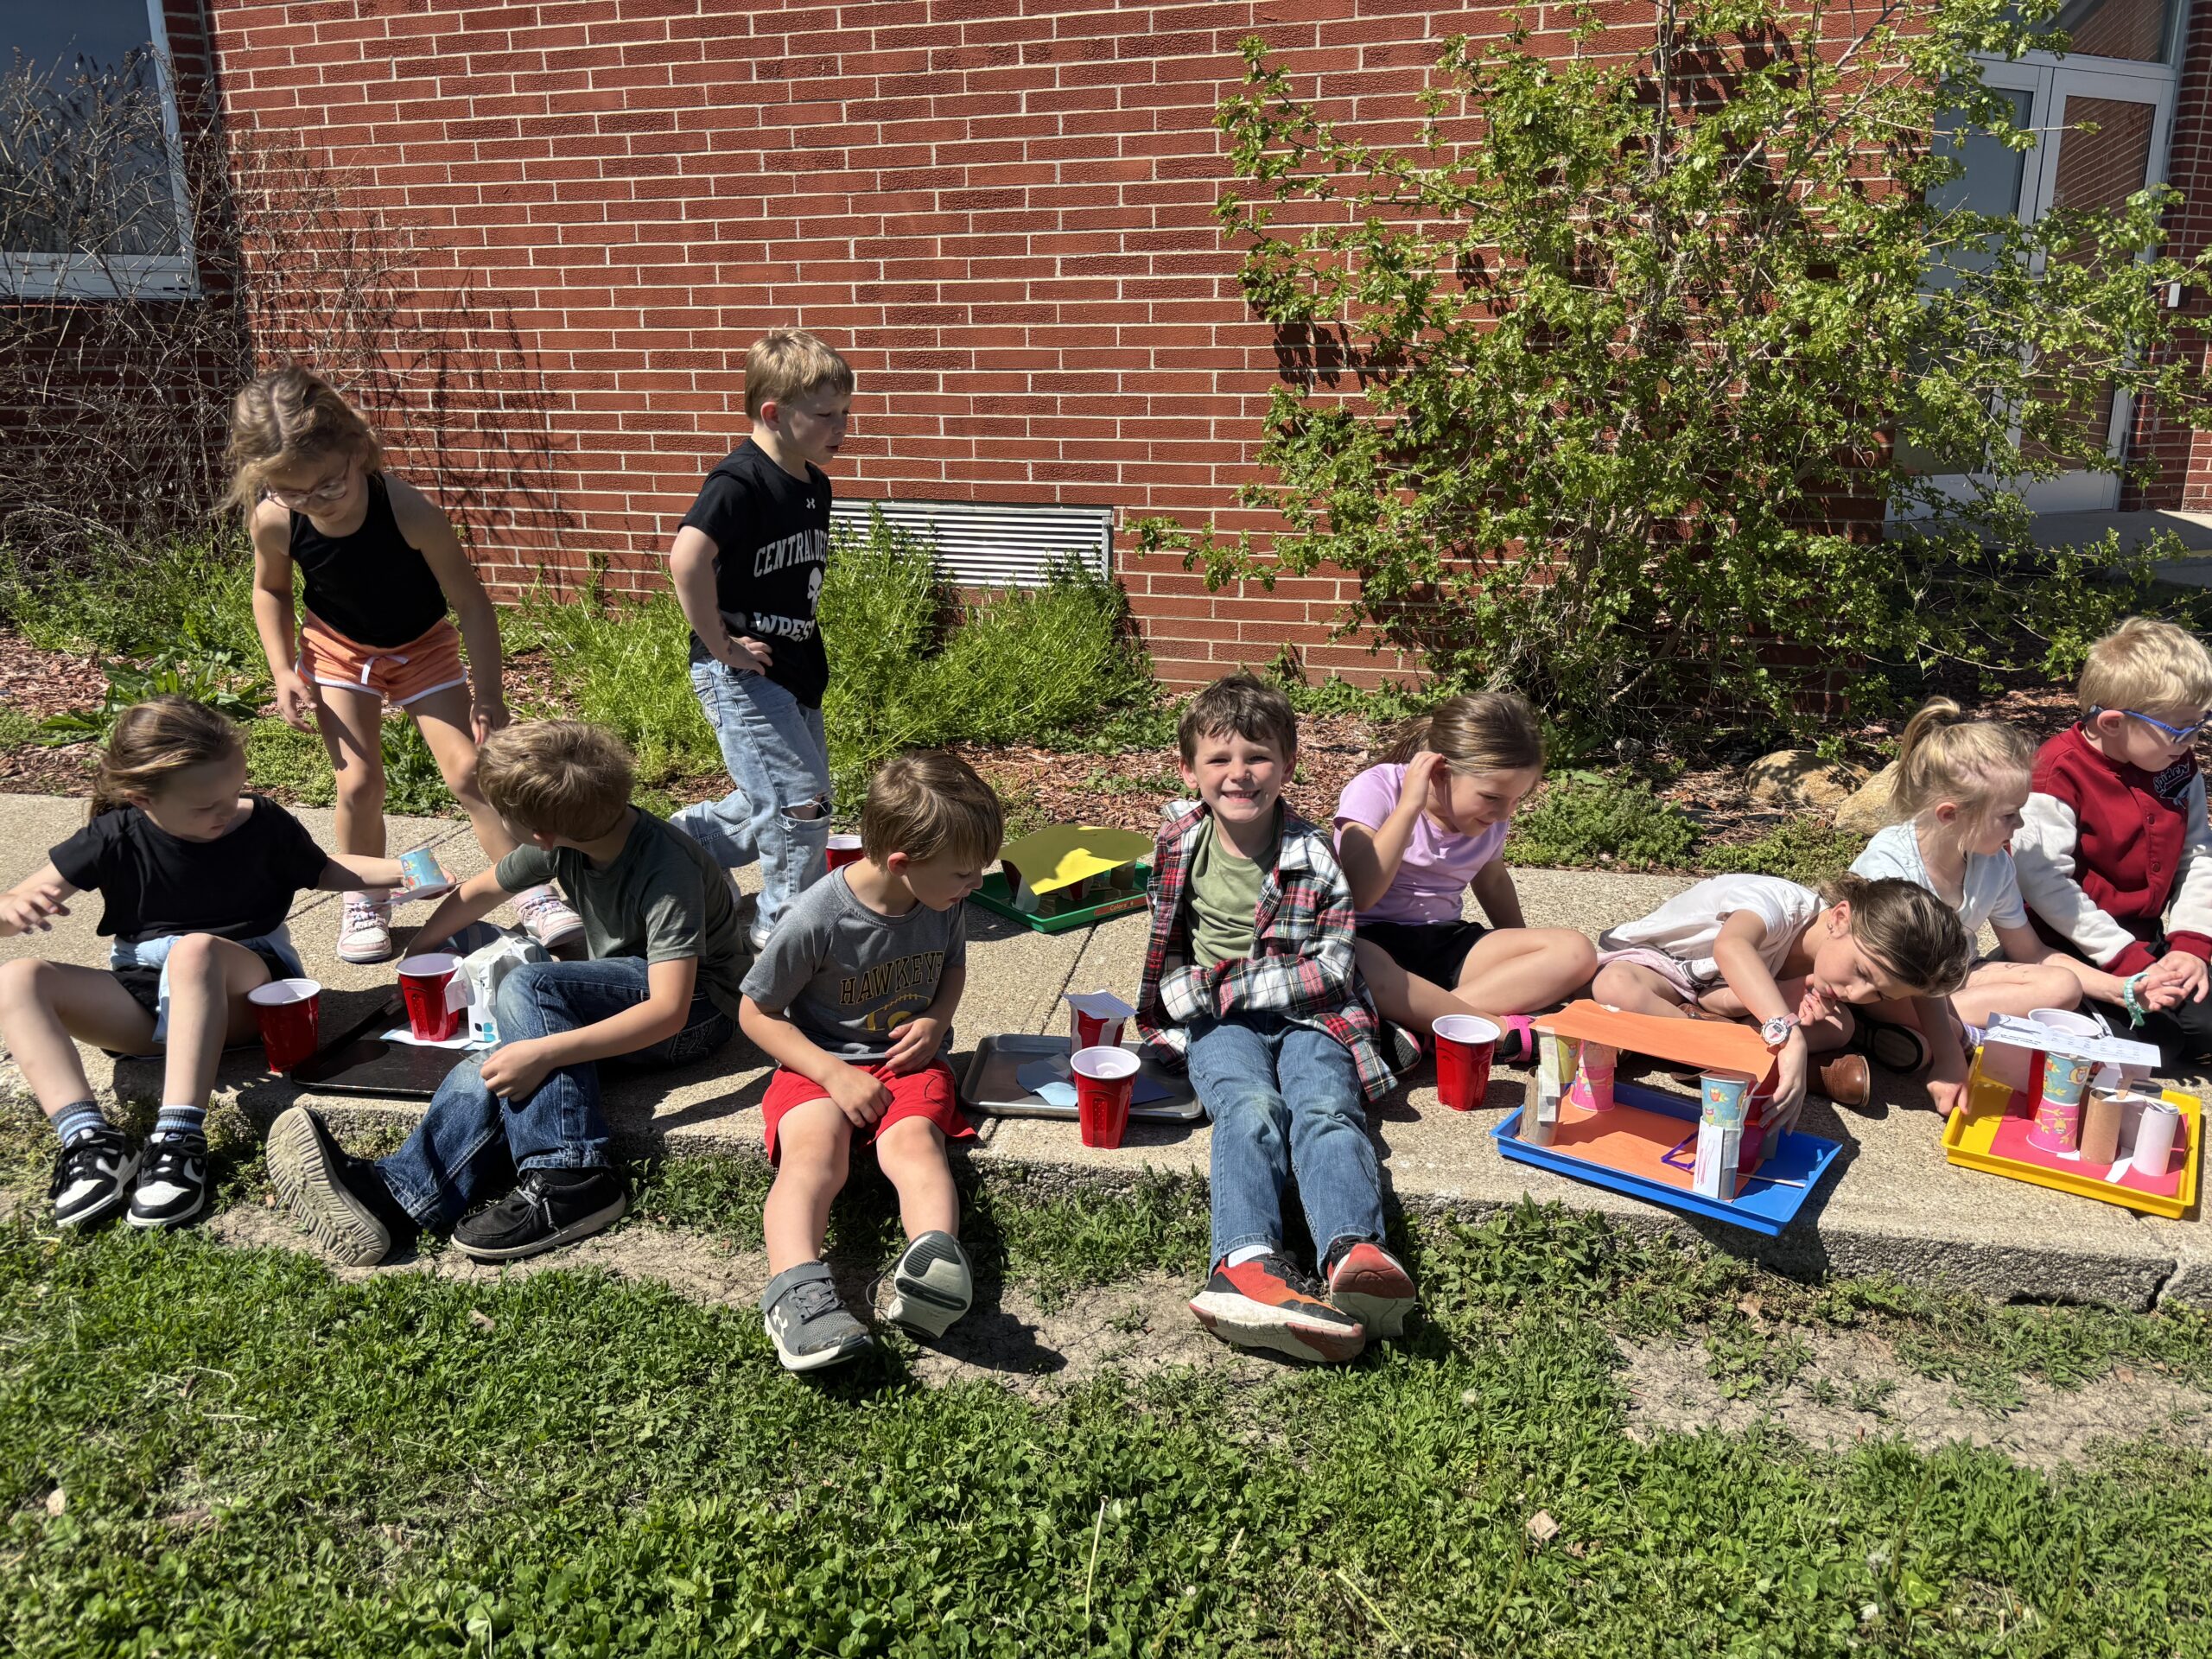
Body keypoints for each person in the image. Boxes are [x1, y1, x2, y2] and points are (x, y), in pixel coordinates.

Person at [265, 721, 746, 1265]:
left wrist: (545, 1051)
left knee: (530, 988)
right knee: (492, 1067)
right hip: (631, 999)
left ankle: (571, 1175)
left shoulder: (666, 869)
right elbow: (481, 890)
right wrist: (420, 951)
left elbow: (669, 1010)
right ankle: (396, 1198)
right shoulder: (577, 840)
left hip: (699, 1013)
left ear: (538, 834)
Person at [0, 697, 417, 1230]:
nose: (225, 810)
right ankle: (89, 1142)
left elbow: (322, 869)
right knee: (18, 978)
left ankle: (178, 1140)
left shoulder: (259, 822)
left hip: (247, 996)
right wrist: (11, 909)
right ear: (141, 799)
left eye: (234, 791)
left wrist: (402, 871)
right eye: (204, 806)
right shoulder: (116, 834)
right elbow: (19, 902)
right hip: (146, 1001)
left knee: (194, 951)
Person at [229, 365, 581, 965]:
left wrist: (488, 694)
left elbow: (471, 603)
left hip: (423, 648)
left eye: (329, 486)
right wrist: (283, 669)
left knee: (470, 773)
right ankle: (365, 898)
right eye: (295, 493)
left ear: (356, 450)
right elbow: (272, 591)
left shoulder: (408, 509)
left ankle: (529, 889)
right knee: (358, 784)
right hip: (338, 651)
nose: (316, 504)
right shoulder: (275, 518)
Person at [1134, 674, 1421, 1365]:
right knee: (1250, 1105)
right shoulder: (1178, 840)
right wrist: (1192, 997)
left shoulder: (1313, 854)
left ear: (1287, 765)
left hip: (1311, 1015)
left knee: (1325, 1106)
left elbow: (1330, 967)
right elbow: (1167, 941)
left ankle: (1354, 1254)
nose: (1239, 773)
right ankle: (1245, 1262)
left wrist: (1219, 987)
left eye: (1258, 757)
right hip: (1219, 1023)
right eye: (1219, 759)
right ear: (1189, 771)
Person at [741, 750, 1001, 1372]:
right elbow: (755, 1011)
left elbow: (953, 968)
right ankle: (796, 1295)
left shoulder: (943, 900)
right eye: (965, 873)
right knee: (814, 1156)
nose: (976, 884)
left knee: (916, 1146)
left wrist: (936, 1019)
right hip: (818, 1064)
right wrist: (832, 1073)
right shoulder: (816, 918)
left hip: (908, 1065)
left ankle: (932, 1270)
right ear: (903, 864)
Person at [665, 327, 853, 950]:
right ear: (773, 414)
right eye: (825, 414)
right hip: (740, 671)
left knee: (770, 804)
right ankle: (784, 937)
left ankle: (667, 847)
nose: (841, 426)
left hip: (795, 668)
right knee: (801, 806)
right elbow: (686, 558)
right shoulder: (739, 482)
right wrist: (722, 645)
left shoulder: (813, 485)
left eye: (844, 412)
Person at [1847, 698, 2088, 1112]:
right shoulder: (1891, 866)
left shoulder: (1992, 862)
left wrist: (2125, 989)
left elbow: (2028, 951)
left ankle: (1934, 1035)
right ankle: (1955, 1036)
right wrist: (1951, 1055)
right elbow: (1889, 973)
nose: (2019, 824)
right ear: (1950, 815)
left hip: (1952, 980)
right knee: (1899, 999)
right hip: (1891, 987)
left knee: (2065, 986)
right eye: (2009, 815)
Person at [1332, 692, 1597, 1058]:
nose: (1504, 813)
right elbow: (1361, 893)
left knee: (1575, 951)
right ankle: (1496, 1030)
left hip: (1445, 941)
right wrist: (1409, 806)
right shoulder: (1379, 787)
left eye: (1516, 800)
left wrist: (1523, 955)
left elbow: (1493, 881)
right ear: (1440, 773)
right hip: (1370, 938)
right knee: (1355, 961)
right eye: (1492, 797)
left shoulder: (1490, 817)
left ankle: (1426, 1025)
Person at [1592, 873, 1973, 1121]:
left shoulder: (1839, 961)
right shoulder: (1777, 904)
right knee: (1614, 986)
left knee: (1838, 1025)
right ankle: (1748, 1057)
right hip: (1666, 968)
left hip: (1720, 998)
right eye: (1861, 972)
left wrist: (1950, 1061)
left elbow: (1924, 987)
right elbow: (1732, 947)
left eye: (1878, 995)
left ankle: (1707, 1048)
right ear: (1840, 918)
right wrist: (1789, 1039)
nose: (1856, 993)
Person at [2013, 615, 2212, 1067]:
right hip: (2069, 945)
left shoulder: (2178, 765)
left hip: (2146, 941)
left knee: (2203, 1024)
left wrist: (2189, 947)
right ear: (2113, 723)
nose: (2193, 740)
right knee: (2155, 1047)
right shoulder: (2056, 773)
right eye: (2181, 729)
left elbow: (2199, 856)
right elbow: (2045, 883)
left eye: (2200, 725)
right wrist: (2123, 957)